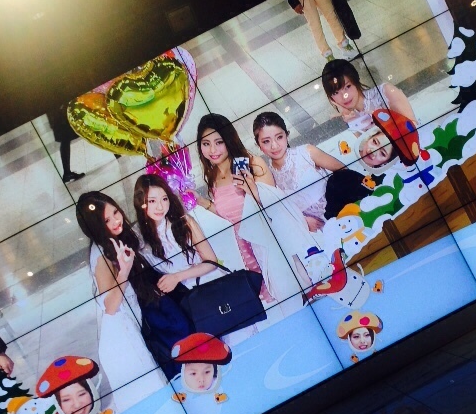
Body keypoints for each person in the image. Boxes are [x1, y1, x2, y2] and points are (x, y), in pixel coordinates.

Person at [75, 191, 172, 402]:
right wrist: (124, 272)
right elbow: (109, 306)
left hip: (130, 327)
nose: (115, 221)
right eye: (106, 220)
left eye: (115, 213)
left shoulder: (113, 242)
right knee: (152, 394)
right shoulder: (101, 254)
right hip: (122, 339)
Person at [192, 113, 276, 302]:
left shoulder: (252, 164)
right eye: (206, 144)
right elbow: (228, 216)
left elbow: (275, 206)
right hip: (244, 254)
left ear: (229, 140)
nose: (212, 150)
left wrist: (251, 189)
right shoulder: (213, 177)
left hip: (266, 246)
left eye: (219, 142)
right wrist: (202, 202)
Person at [253, 111, 375, 229]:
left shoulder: (306, 152)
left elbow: (345, 174)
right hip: (316, 233)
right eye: (266, 141)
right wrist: (303, 220)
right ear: (259, 145)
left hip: (347, 216)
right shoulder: (269, 177)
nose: (274, 146)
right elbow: (280, 212)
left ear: (287, 135)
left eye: (279, 137)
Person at [321, 60, 418, 170]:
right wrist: (354, 124)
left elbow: (413, 128)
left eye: (348, 86)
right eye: (335, 93)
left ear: (355, 81)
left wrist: (381, 118)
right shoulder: (348, 119)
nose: (344, 96)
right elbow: (365, 159)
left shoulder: (385, 92)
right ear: (331, 98)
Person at [133, 174, 220, 289]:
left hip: (208, 284)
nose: (160, 207)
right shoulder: (137, 235)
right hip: (180, 295)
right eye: (152, 201)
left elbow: (211, 262)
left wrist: (177, 277)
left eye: (164, 199)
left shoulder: (184, 221)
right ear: (141, 203)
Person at [283, 0, 356, 61]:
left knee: (332, 16)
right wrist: (293, 1)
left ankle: (344, 45)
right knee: (315, 24)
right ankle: (327, 54)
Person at [47, 103, 85, 183]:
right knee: (65, 139)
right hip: (59, 115)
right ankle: (67, 172)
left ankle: (67, 172)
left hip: (57, 114)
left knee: (65, 140)